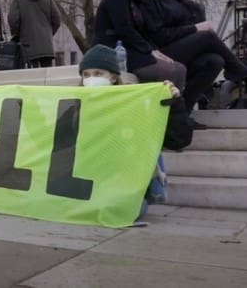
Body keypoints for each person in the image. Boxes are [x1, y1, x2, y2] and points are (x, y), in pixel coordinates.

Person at [78, 44, 191, 217]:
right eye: (86, 75)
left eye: (98, 74)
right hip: (91, 179)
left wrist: (175, 105)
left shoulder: (135, 106)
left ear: (114, 78)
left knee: (128, 210)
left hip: (124, 182)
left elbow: (178, 141)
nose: (91, 79)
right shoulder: (75, 107)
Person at [139, 0, 247, 114]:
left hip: (184, 51)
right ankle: (239, 70)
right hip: (162, 52)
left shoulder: (183, 1)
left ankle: (184, 113)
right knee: (207, 36)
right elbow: (160, 35)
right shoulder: (149, 2)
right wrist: (195, 29)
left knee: (215, 61)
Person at [92, 0, 187, 90]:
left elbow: (138, 32)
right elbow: (125, 29)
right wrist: (149, 50)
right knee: (170, 71)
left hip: (129, 50)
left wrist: (153, 49)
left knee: (179, 68)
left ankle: (176, 107)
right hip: (115, 52)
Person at [8, 0, 61, 68]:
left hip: (28, 48)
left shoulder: (18, 0)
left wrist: (17, 35)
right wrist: (49, 34)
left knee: (32, 78)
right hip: (47, 47)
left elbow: (13, 20)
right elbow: (57, 19)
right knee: (47, 77)